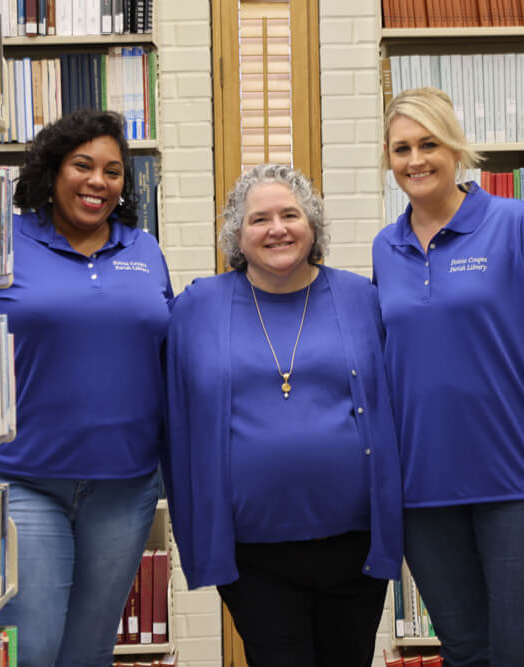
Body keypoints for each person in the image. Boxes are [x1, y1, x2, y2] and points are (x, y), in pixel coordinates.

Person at [0, 109, 173, 666]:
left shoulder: (144, 250)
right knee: (32, 649)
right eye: (82, 165)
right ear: (52, 169)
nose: (98, 182)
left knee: (89, 653)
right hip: (23, 478)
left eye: (113, 172)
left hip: (126, 485)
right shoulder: (2, 240)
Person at [372, 87, 524, 667]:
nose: (415, 160)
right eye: (401, 149)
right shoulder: (384, 249)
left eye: (428, 144)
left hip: (518, 483)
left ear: (455, 148)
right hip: (423, 489)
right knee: (465, 653)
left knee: (521, 653)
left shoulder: (514, 223)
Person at [162, 163, 403, 666]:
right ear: (237, 234)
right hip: (252, 552)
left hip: (355, 545)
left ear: (312, 226)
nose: (277, 228)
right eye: (259, 219)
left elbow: (399, 397)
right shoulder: (197, 307)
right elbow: (174, 413)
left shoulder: (362, 299)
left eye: (290, 214)